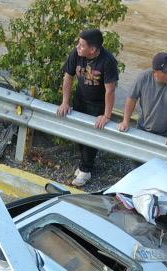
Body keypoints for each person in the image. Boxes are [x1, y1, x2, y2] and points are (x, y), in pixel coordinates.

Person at [56, 29, 119, 187]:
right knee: (79, 134)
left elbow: (110, 90)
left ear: (92, 49)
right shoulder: (76, 53)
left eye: (82, 45)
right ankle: (84, 165)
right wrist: (65, 102)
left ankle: (85, 170)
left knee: (91, 137)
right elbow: (68, 77)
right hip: (80, 99)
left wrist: (106, 115)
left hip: (98, 104)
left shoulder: (108, 61)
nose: (78, 47)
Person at [118, 52, 167, 151]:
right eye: (166, 72)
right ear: (155, 72)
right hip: (143, 127)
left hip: (166, 134)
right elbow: (131, 98)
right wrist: (125, 121)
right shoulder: (143, 77)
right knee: (138, 158)